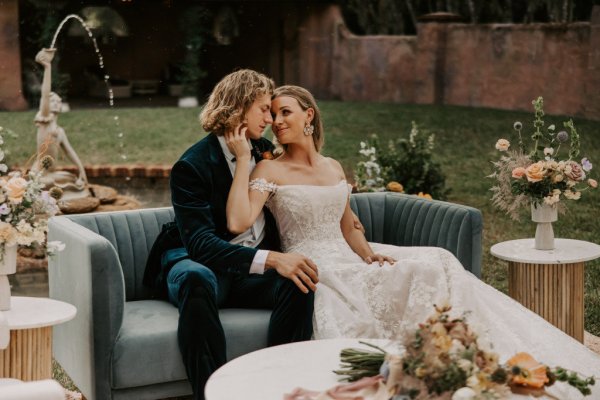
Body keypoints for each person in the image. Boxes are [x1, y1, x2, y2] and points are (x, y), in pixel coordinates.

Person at [224, 85, 600, 398]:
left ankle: (462, 360)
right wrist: (244, 159)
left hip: (351, 257)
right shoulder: (268, 168)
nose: (276, 121)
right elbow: (238, 221)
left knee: (438, 260)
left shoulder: (333, 166)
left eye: (285, 111)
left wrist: (370, 255)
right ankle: (434, 369)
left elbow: (348, 227)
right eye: (272, 115)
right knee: (415, 274)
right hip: (318, 267)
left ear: (309, 115)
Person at [163, 70, 319, 400]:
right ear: (238, 107)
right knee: (194, 278)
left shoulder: (263, 148)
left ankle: (282, 387)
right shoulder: (192, 165)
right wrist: (274, 259)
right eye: (263, 109)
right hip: (199, 261)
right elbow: (201, 244)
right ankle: (211, 394)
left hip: (248, 273)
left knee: (299, 278)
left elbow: (299, 181)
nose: (271, 118)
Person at [33, 48, 89, 200]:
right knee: (49, 184)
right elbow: (45, 93)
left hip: (52, 173)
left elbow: (70, 152)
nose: (56, 103)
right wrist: (47, 67)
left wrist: (81, 169)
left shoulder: (60, 131)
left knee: (72, 179)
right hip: (40, 174)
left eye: (59, 101)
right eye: (53, 101)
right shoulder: (45, 121)